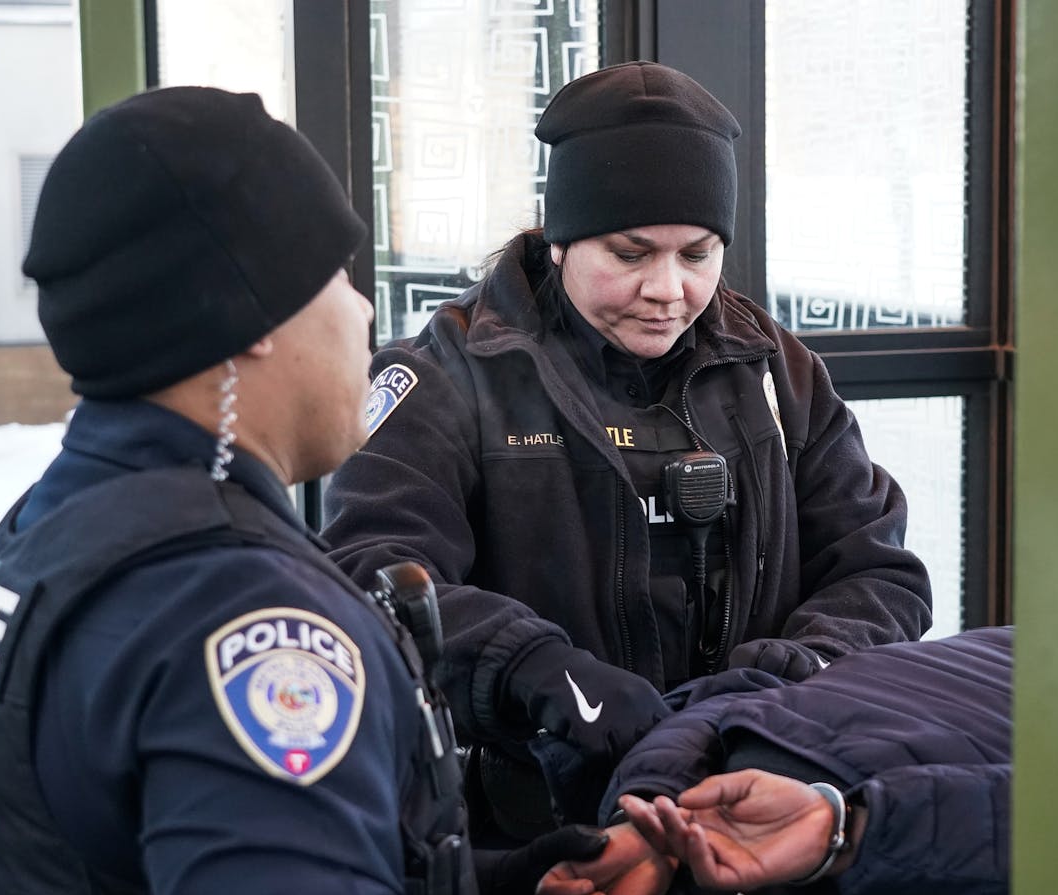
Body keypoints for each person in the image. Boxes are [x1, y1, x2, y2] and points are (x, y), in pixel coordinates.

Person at [0, 86, 764, 895]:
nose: (364, 314)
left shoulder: (53, 526)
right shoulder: (237, 613)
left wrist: (502, 888)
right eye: (336, 279)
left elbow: (184, 885)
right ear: (247, 321)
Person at [322, 61, 934, 842]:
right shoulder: (447, 376)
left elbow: (878, 570)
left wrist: (794, 672)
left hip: (751, 802)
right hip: (523, 831)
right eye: (631, 253)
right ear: (559, 238)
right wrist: (533, 667)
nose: (667, 289)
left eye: (698, 254)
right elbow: (370, 572)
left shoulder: (776, 373)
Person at [530, 627, 1013, 895]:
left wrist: (656, 808)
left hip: (673, 860)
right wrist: (843, 830)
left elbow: (736, 695)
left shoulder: (1014, 648)